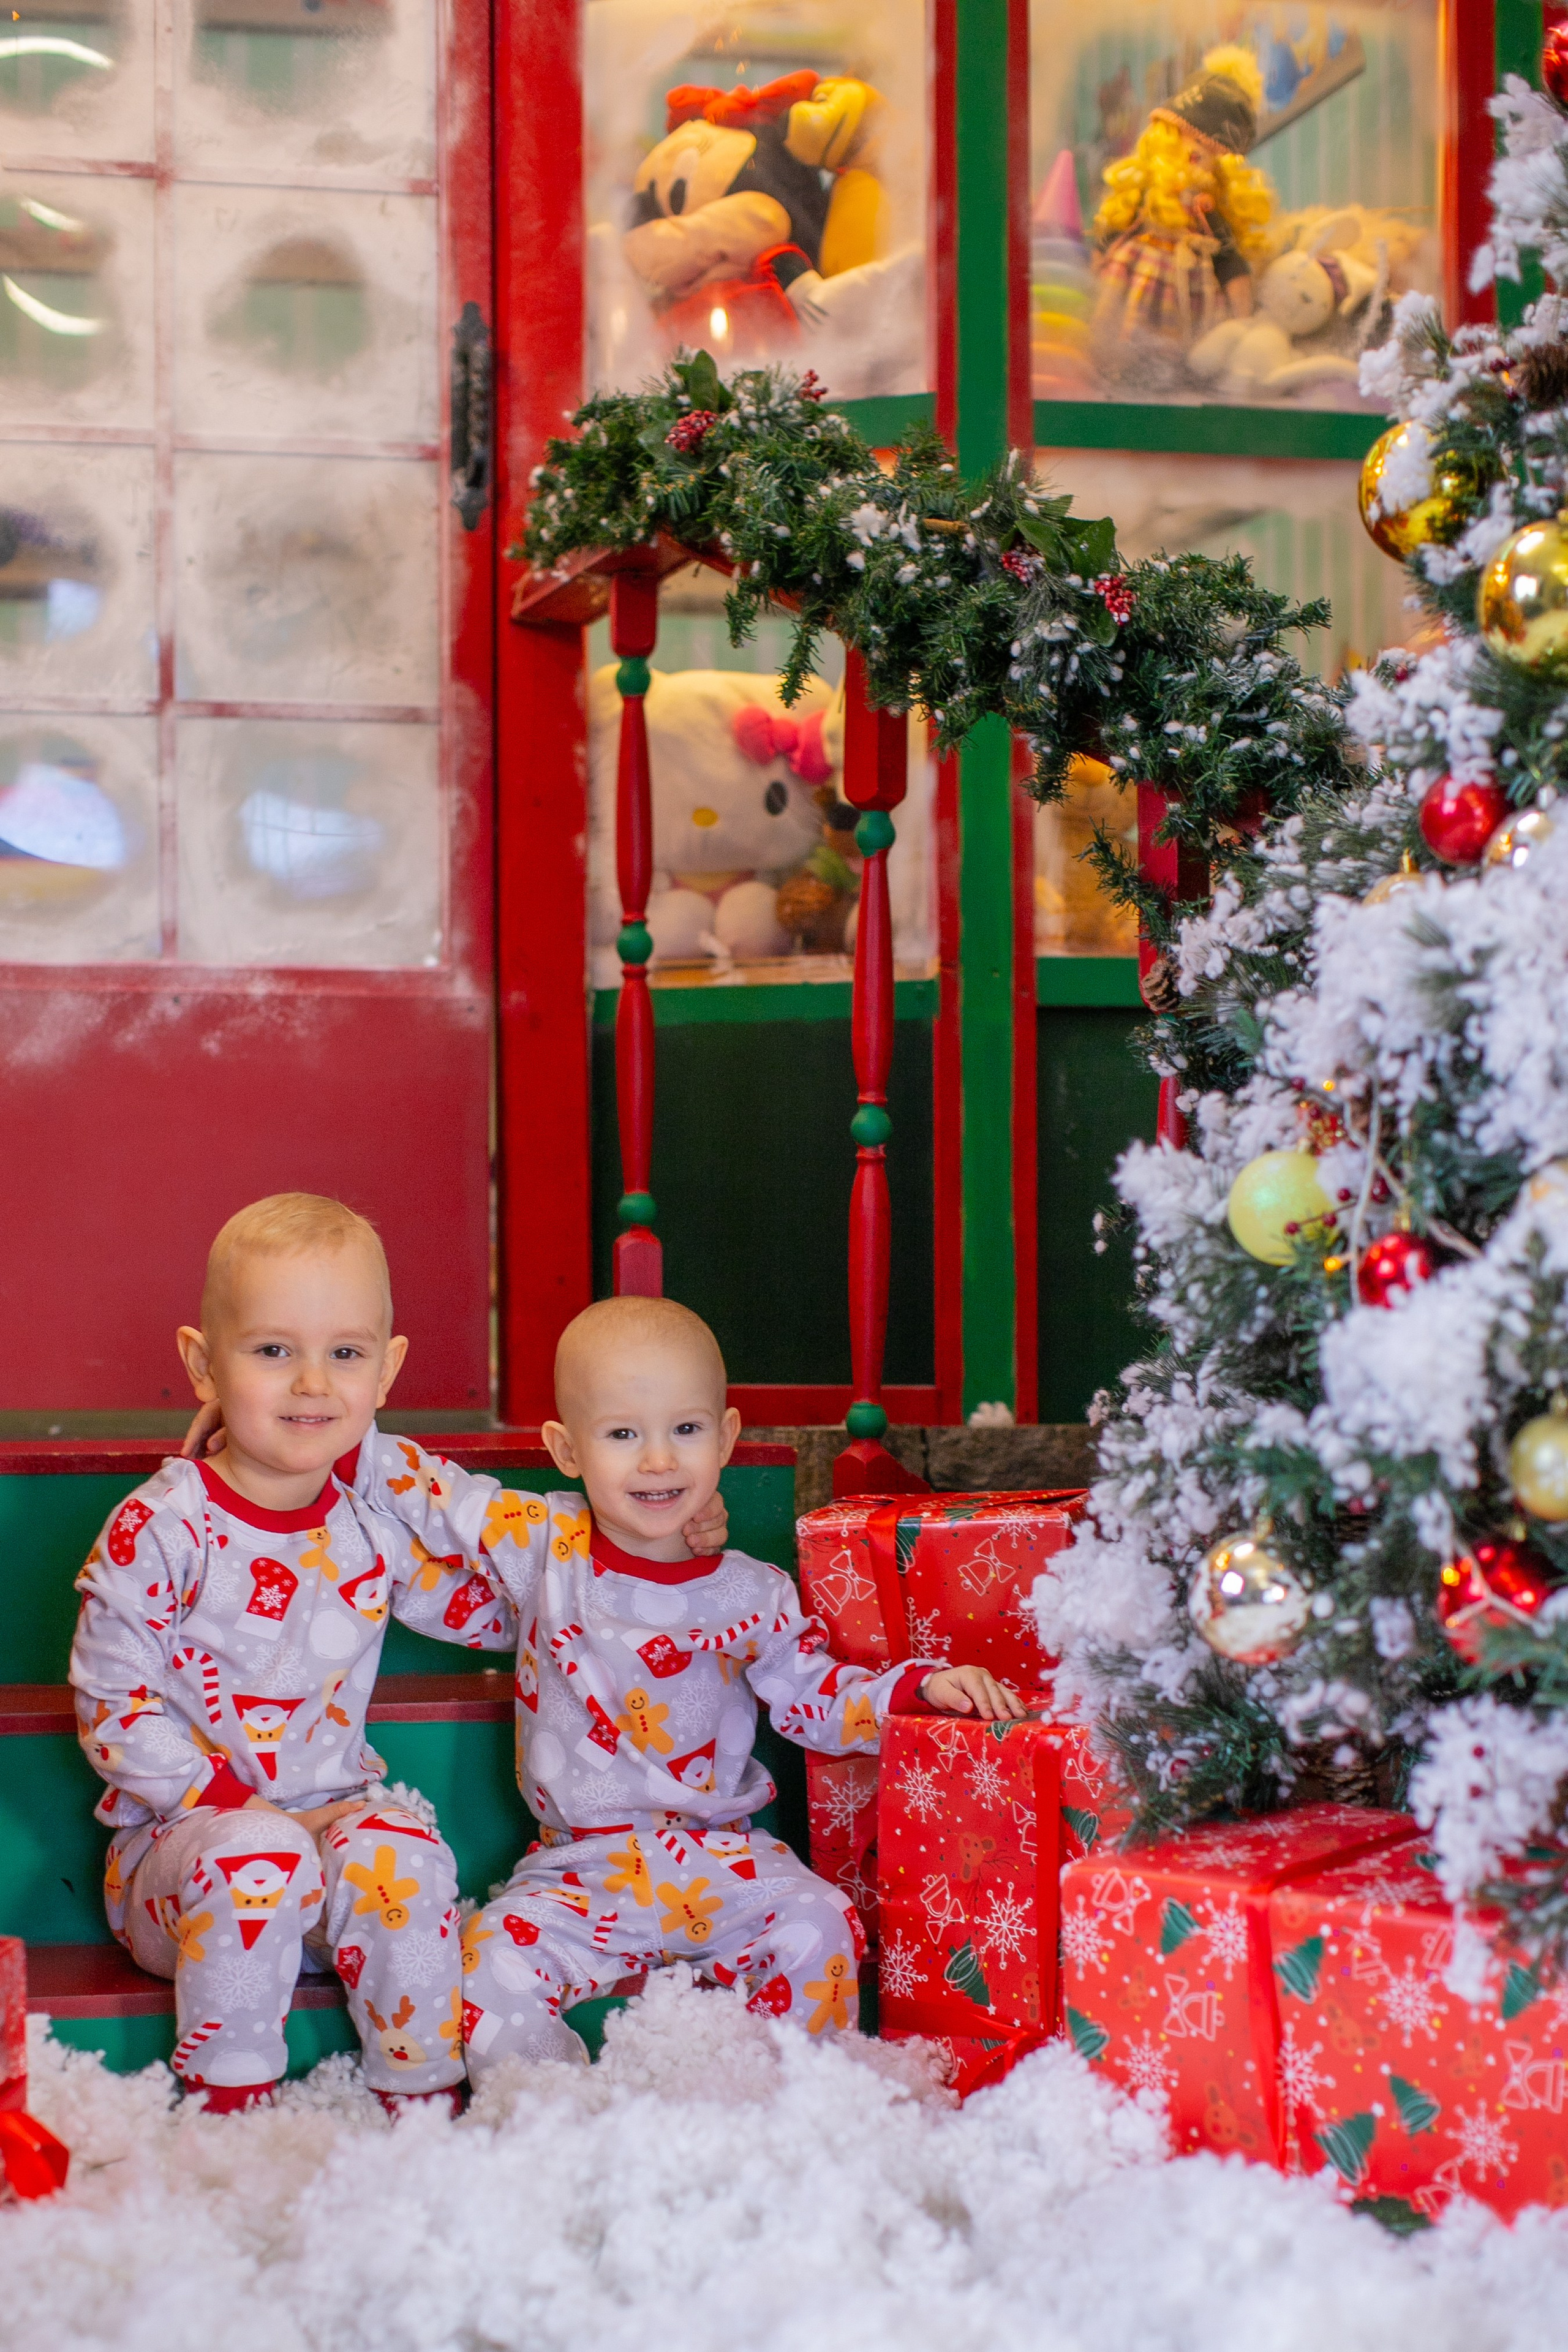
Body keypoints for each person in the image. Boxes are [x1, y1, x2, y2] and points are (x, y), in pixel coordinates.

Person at [68, 1193, 725, 2112]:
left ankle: (417, 2104)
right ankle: (233, 2110)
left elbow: (509, 1612)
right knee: (256, 1852)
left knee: (406, 1851)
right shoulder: (165, 1528)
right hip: (184, 1862)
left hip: (330, 1840)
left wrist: (654, 1543)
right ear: (202, 1365)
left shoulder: (367, 1527)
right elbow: (114, 1708)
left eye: (345, 1354)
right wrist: (243, 1811)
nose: (311, 1384)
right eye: (272, 1351)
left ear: (387, 1372)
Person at [453, 1294, 1023, 2073]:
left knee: (820, 1919)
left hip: (722, 1858)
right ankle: (559, 2121)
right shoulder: (543, 1547)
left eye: (685, 1430)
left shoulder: (752, 1592)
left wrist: (913, 1689)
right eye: (623, 1434)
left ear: (725, 1437)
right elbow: (424, 1496)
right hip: (577, 1870)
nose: (659, 1461)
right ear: (566, 1448)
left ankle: (785, 2109)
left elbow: (811, 1694)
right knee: (486, 1965)